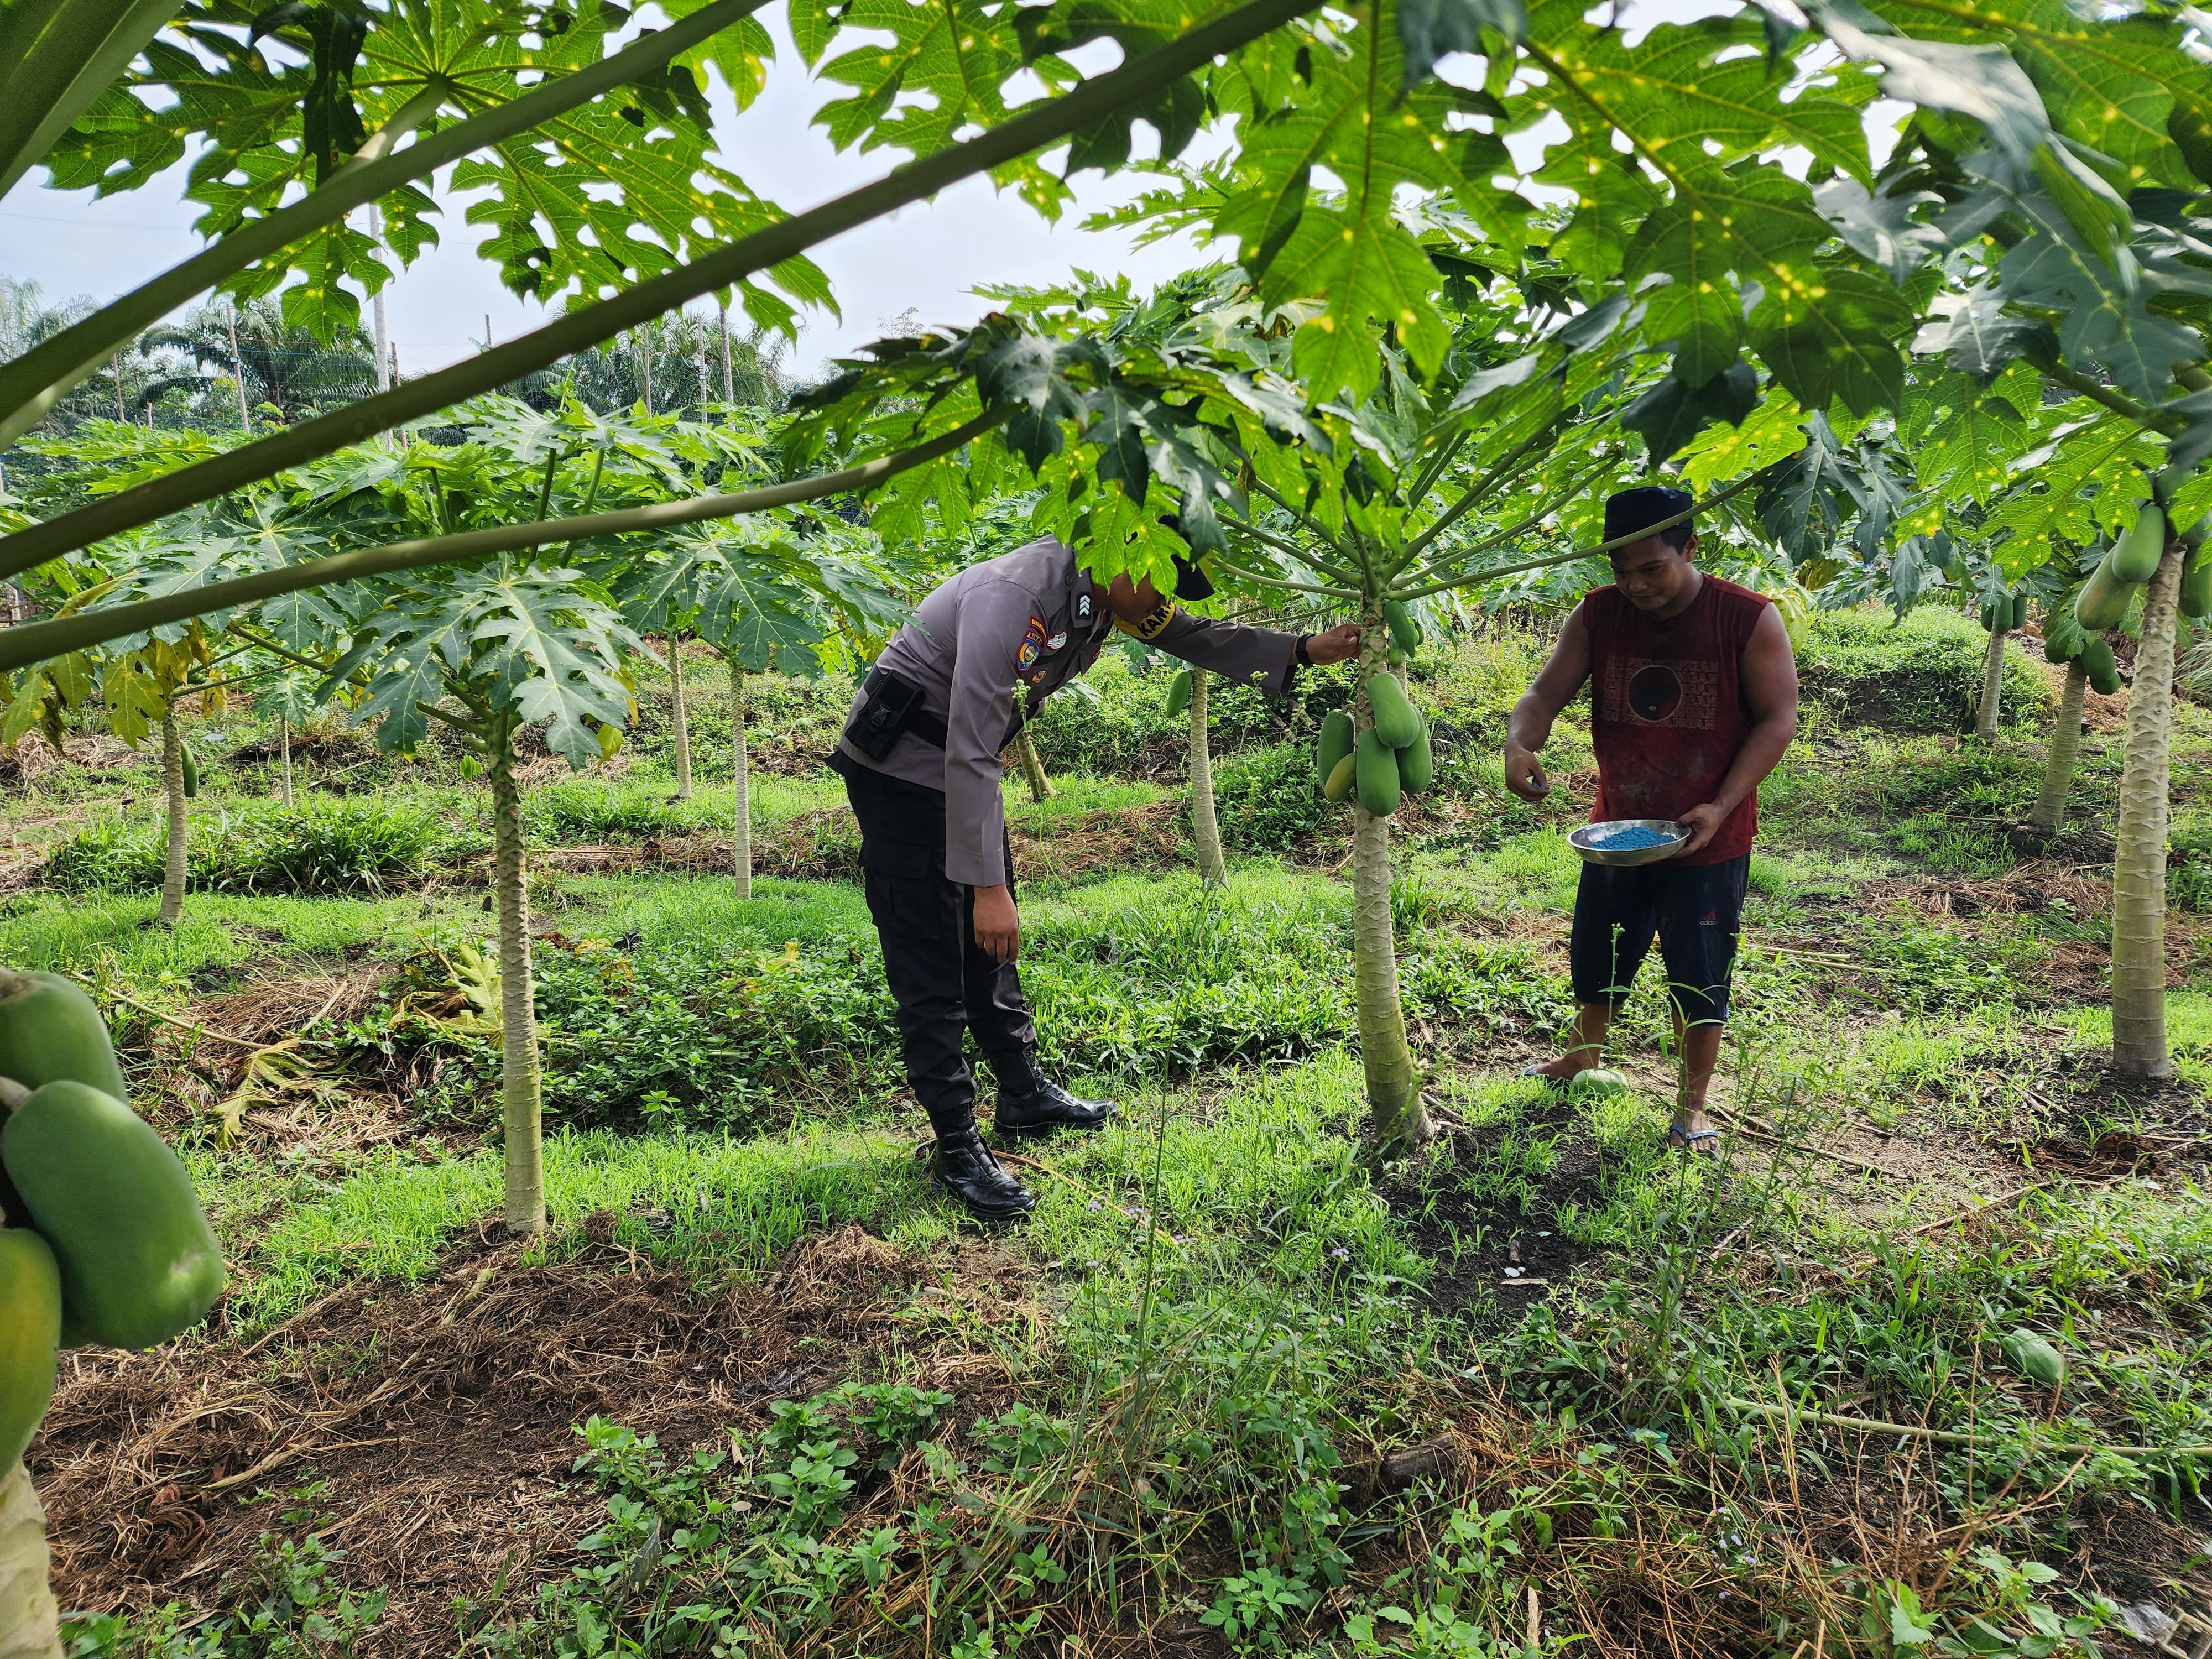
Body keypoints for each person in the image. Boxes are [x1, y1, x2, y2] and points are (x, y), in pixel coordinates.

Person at [828, 535, 1363, 1220]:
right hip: (903, 776)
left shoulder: (1109, 588)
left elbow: (1184, 634)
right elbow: (969, 745)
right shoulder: (1015, 597)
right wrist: (987, 890)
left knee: (989, 947)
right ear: (1131, 556)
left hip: (963, 774)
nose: (1165, 602)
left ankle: (1021, 1095)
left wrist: (1298, 651)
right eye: (1164, 584)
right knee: (934, 955)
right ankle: (957, 1146)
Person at [1503, 485, 1799, 1153]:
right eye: (1620, 571)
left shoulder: (1747, 618)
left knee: (1698, 969)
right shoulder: (1598, 615)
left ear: (1690, 549)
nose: (1634, 585)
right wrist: (1520, 742)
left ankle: (1692, 1107)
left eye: (1651, 568)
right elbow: (1544, 691)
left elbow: (1778, 721)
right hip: (1621, 829)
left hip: (1708, 834)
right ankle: (1583, 1054)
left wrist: (1720, 806)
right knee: (1601, 949)